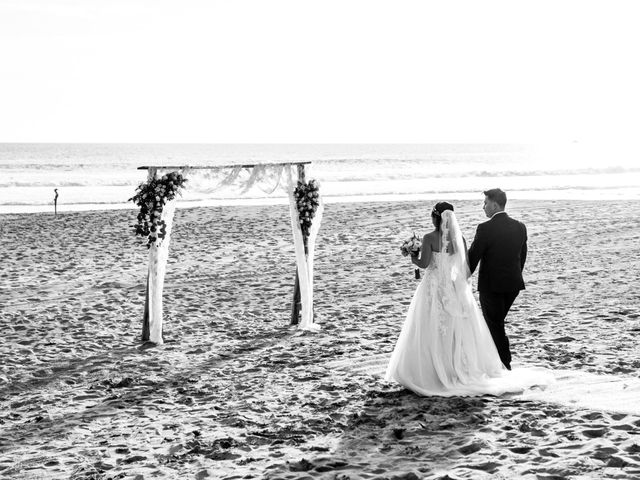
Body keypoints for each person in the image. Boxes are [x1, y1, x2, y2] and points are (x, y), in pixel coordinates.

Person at [385, 201, 551, 396]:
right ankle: (456, 368)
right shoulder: (459, 239)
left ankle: (431, 372)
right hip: (453, 288)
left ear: (435, 218)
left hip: (433, 288)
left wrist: (413, 255)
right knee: (457, 329)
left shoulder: (429, 237)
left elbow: (424, 264)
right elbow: (462, 267)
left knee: (428, 327)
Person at [468, 188, 525, 371]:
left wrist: (461, 276)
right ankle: (498, 362)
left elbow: (472, 258)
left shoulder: (485, 228)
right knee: (496, 323)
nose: (483, 207)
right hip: (513, 285)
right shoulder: (519, 226)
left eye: (485, 203)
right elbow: (522, 255)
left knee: (495, 325)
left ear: (494, 204)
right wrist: (515, 275)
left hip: (491, 287)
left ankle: (505, 364)